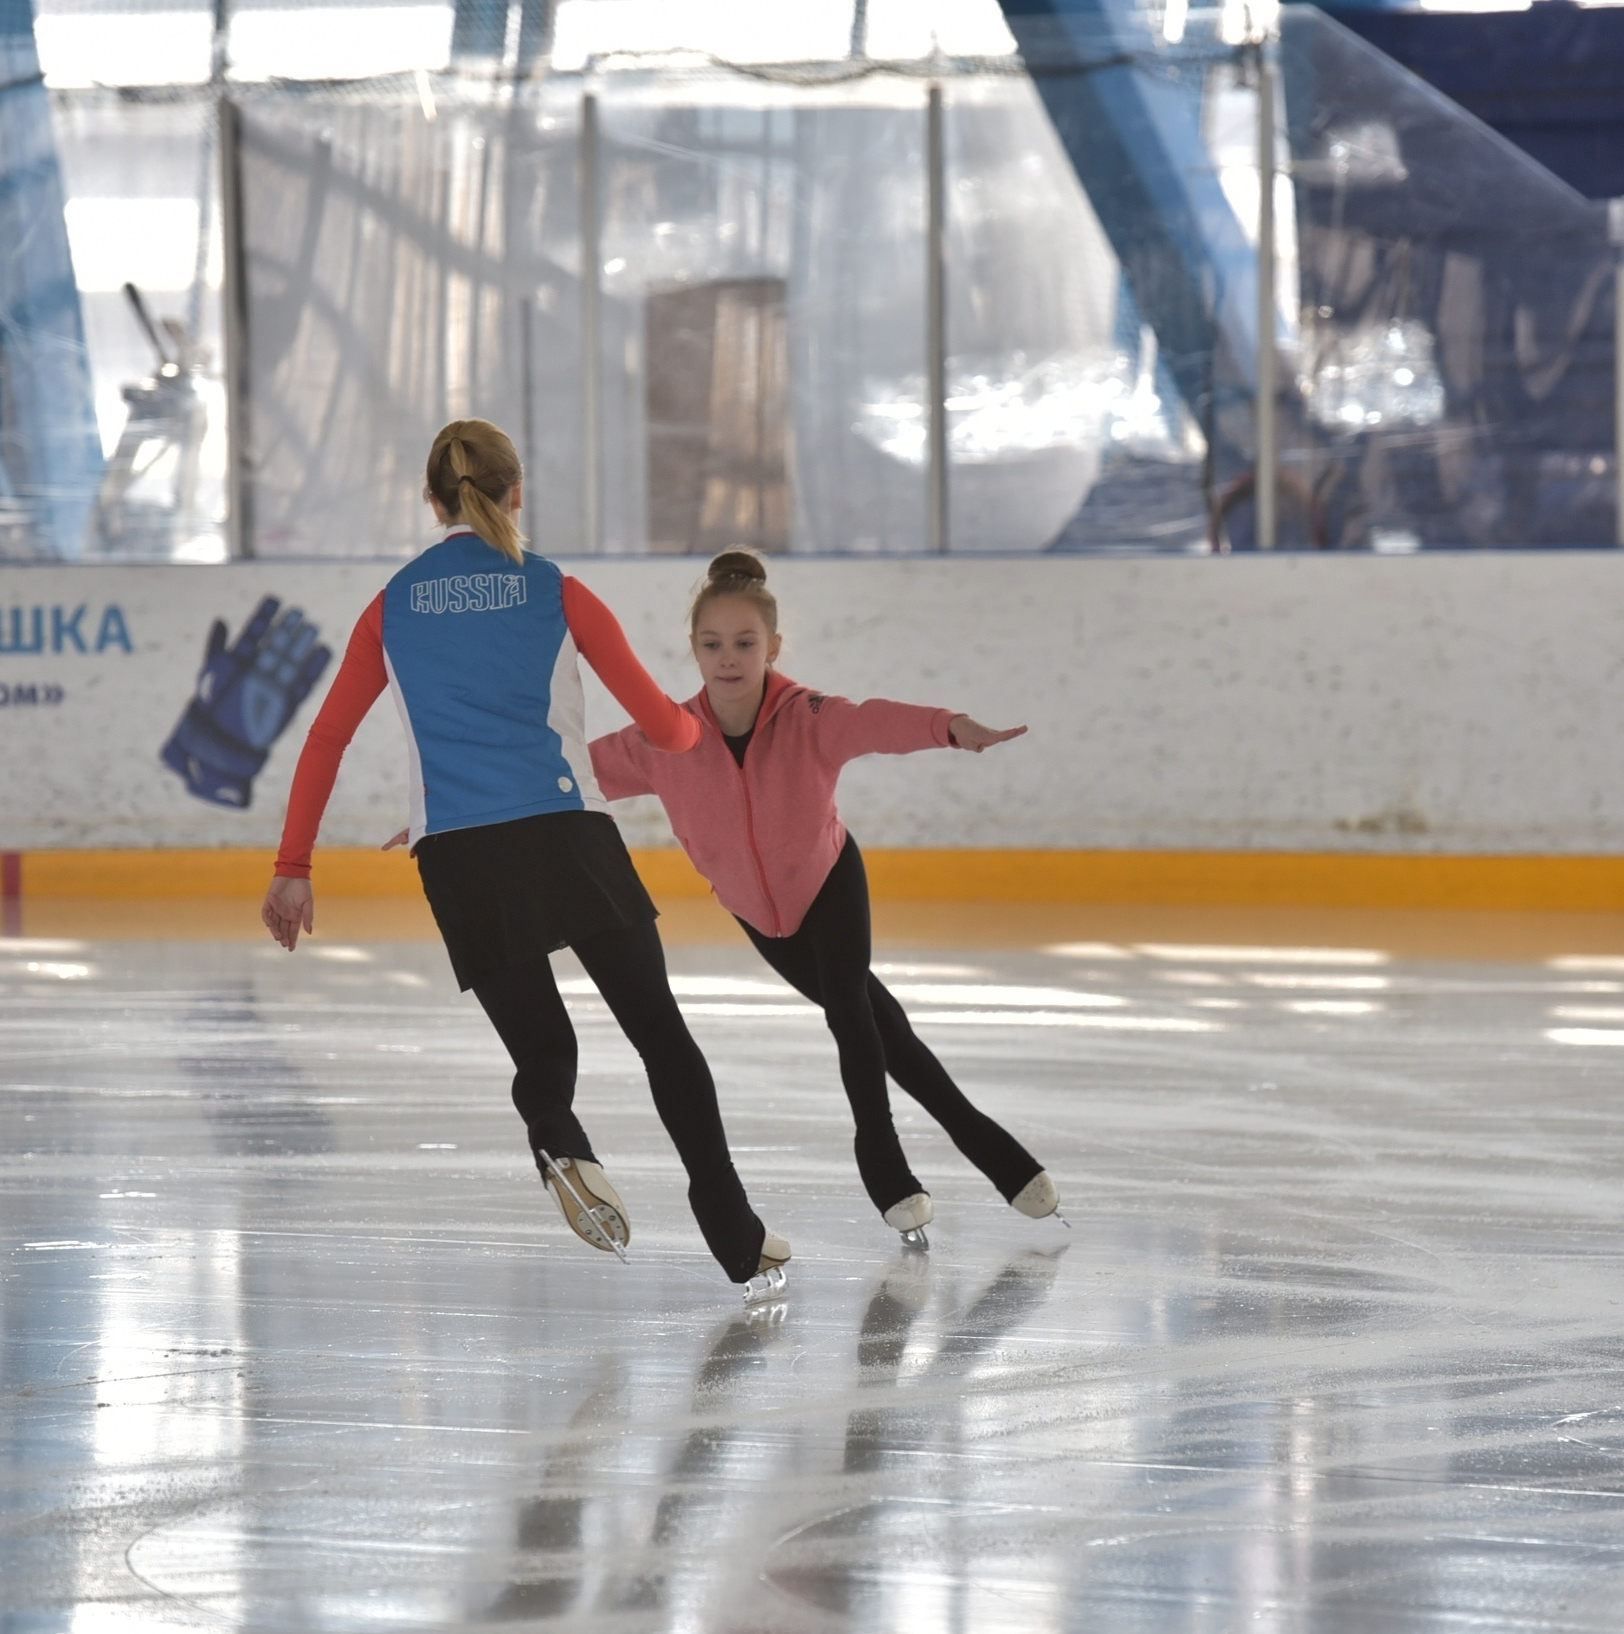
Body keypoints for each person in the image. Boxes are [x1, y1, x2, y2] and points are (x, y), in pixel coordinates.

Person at [259, 422, 789, 1292]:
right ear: (516, 494)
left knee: (543, 1051)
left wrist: (295, 866)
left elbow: (325, 737)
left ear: (433, 504)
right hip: (564, 834)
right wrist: (692, 730)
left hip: (457, 854)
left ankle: (560, 1139)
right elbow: (663, 725)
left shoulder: (390, 603)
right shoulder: (555, 589)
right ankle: (733, 1230)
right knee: (661, 1034)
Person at [590, 550, 1062, 1247]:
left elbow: (876, 721)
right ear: (692, 648)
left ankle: (883, 1161)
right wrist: (461, 808)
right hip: (761, 917)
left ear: (774, 647)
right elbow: (566, 773)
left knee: (849, 1010)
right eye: (713, 644)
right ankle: (995, 1151)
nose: (729, 659)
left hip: (829, 881)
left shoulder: (809, 716)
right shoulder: (665, 739)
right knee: (885, 1030)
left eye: (746, 643)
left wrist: (952, 726)